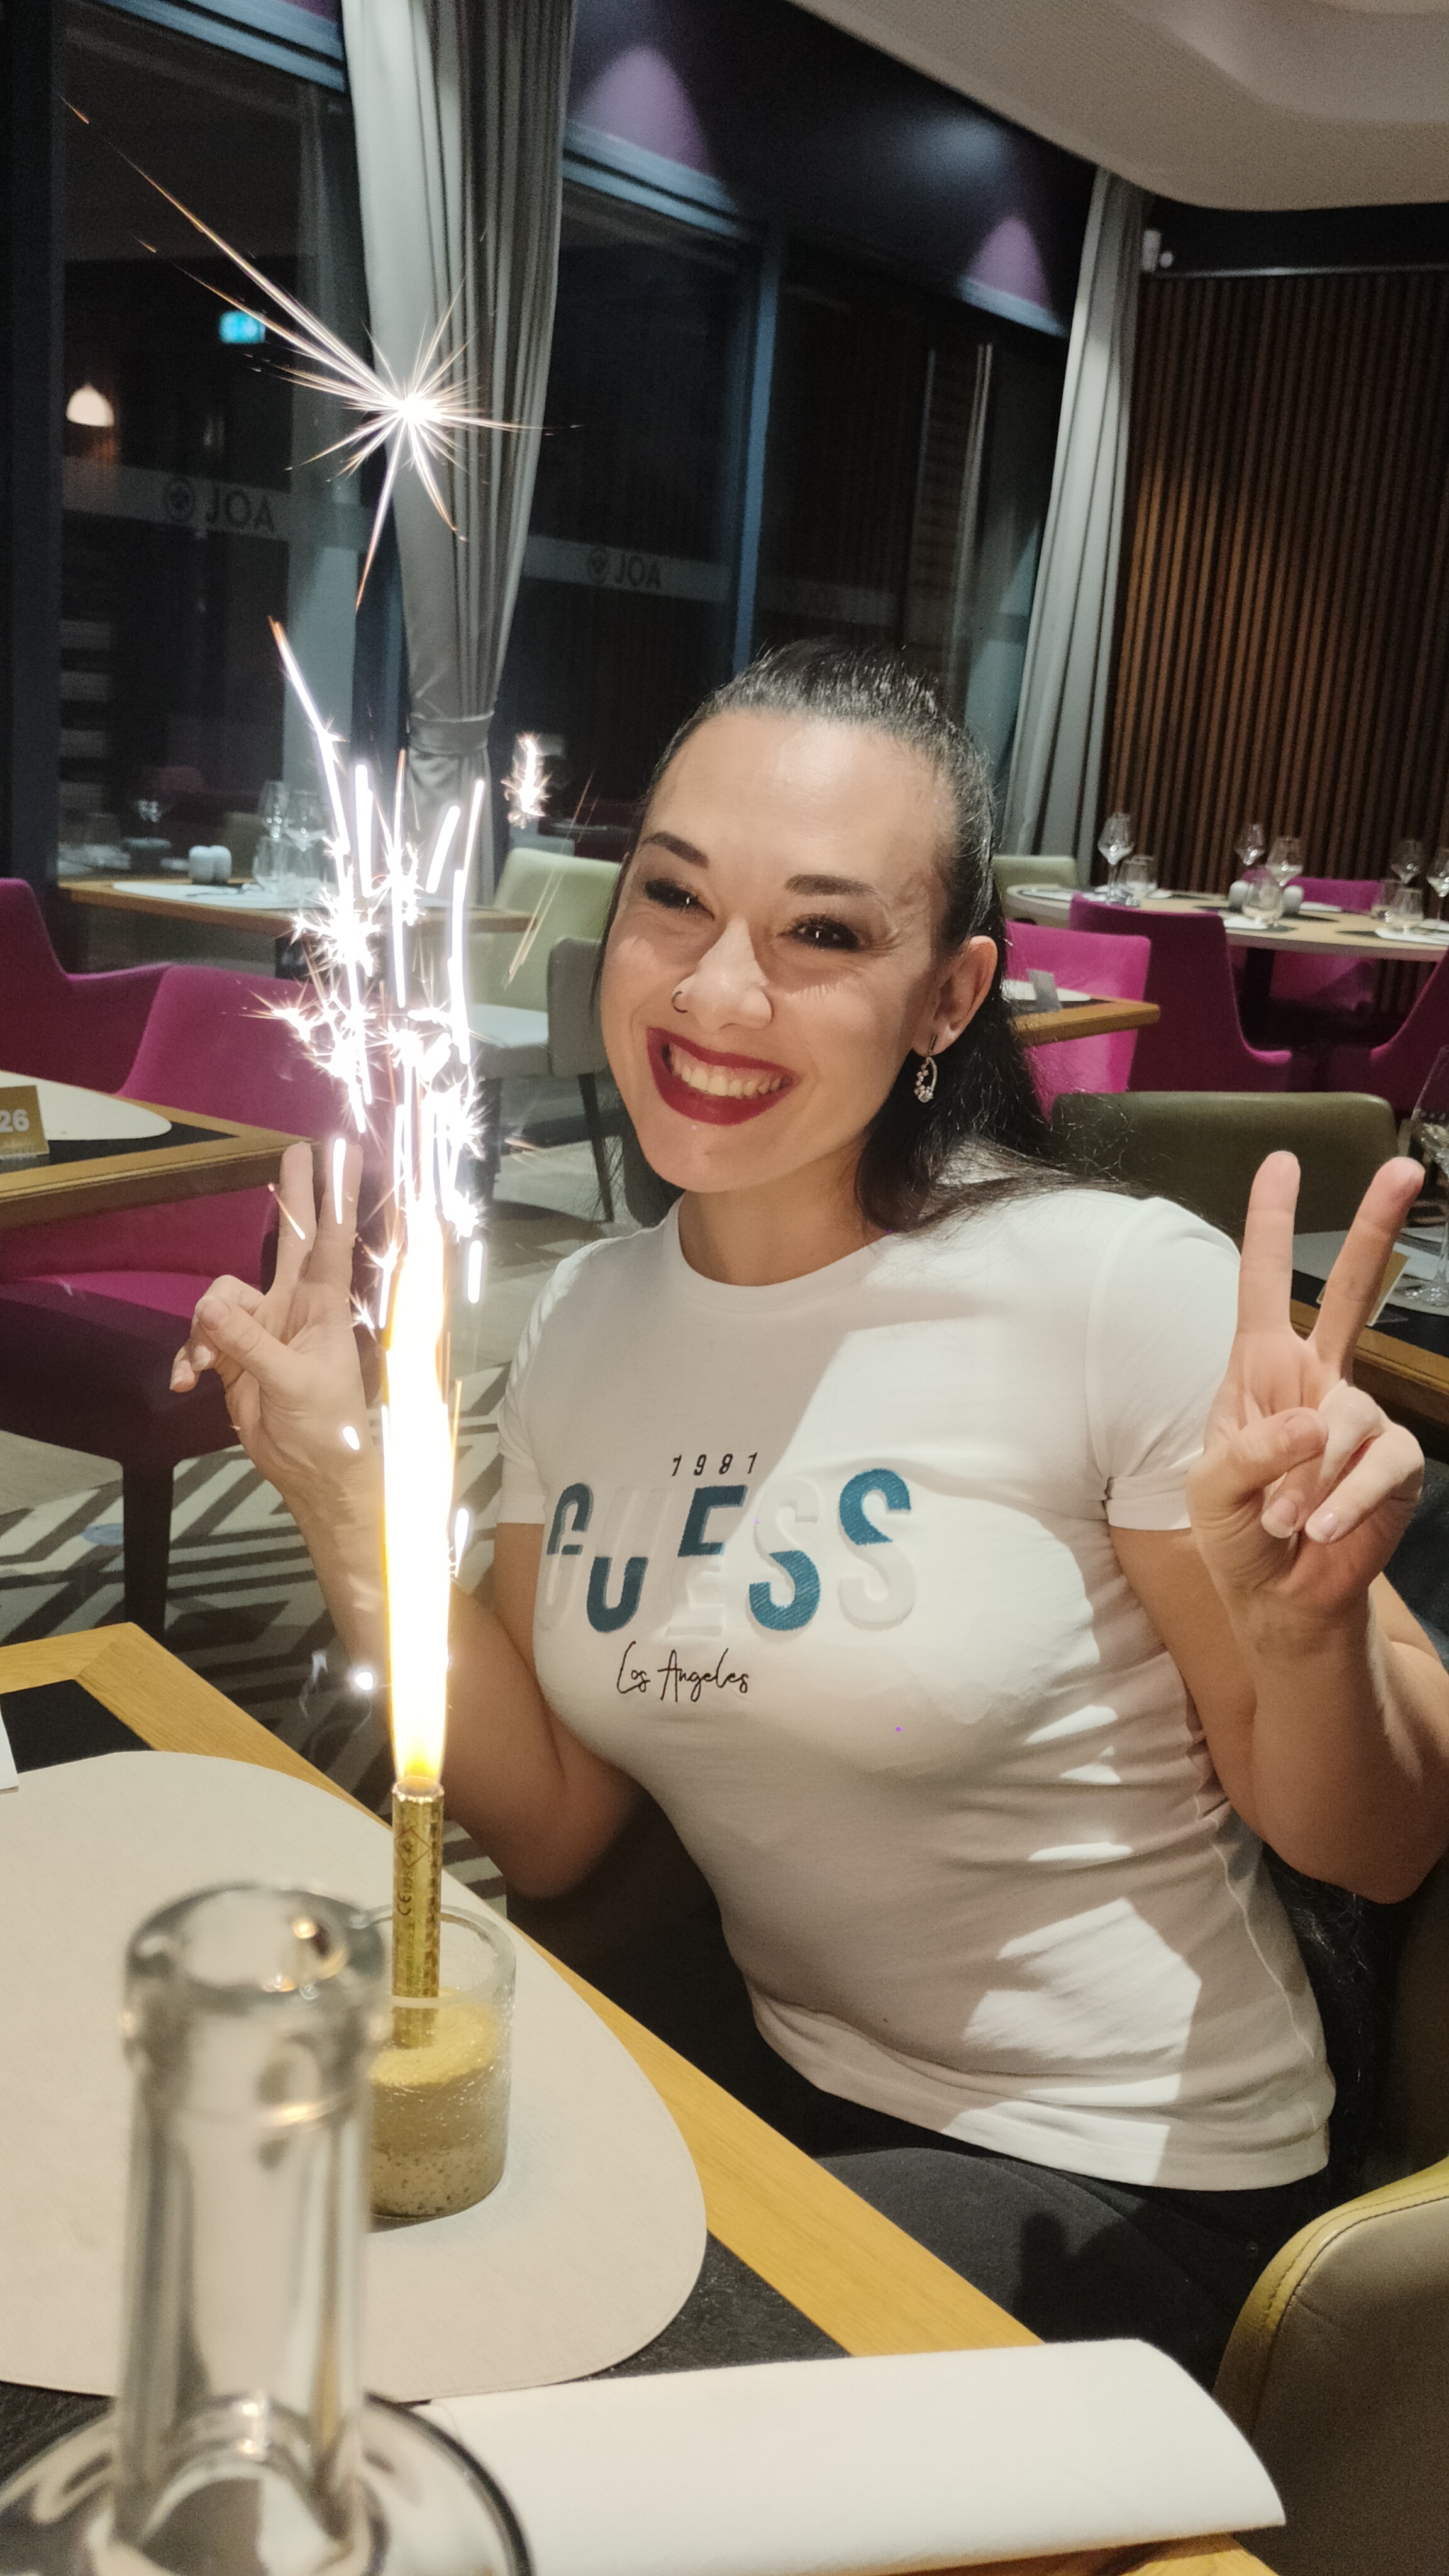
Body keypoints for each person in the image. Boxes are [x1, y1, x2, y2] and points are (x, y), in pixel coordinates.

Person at [171, 646, 1449, 2382]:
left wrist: (1308, 1639)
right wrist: (345, 1486)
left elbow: (1379, 1846)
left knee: (500, 2398)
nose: (716, 991)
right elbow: (556, 1824)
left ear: (948, 998)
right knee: (260, 2222)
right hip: (774, 2084)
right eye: (673, 898)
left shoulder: (1105, 1289)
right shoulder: (587, 1322)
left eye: (823, 933)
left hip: (1120, 2175)